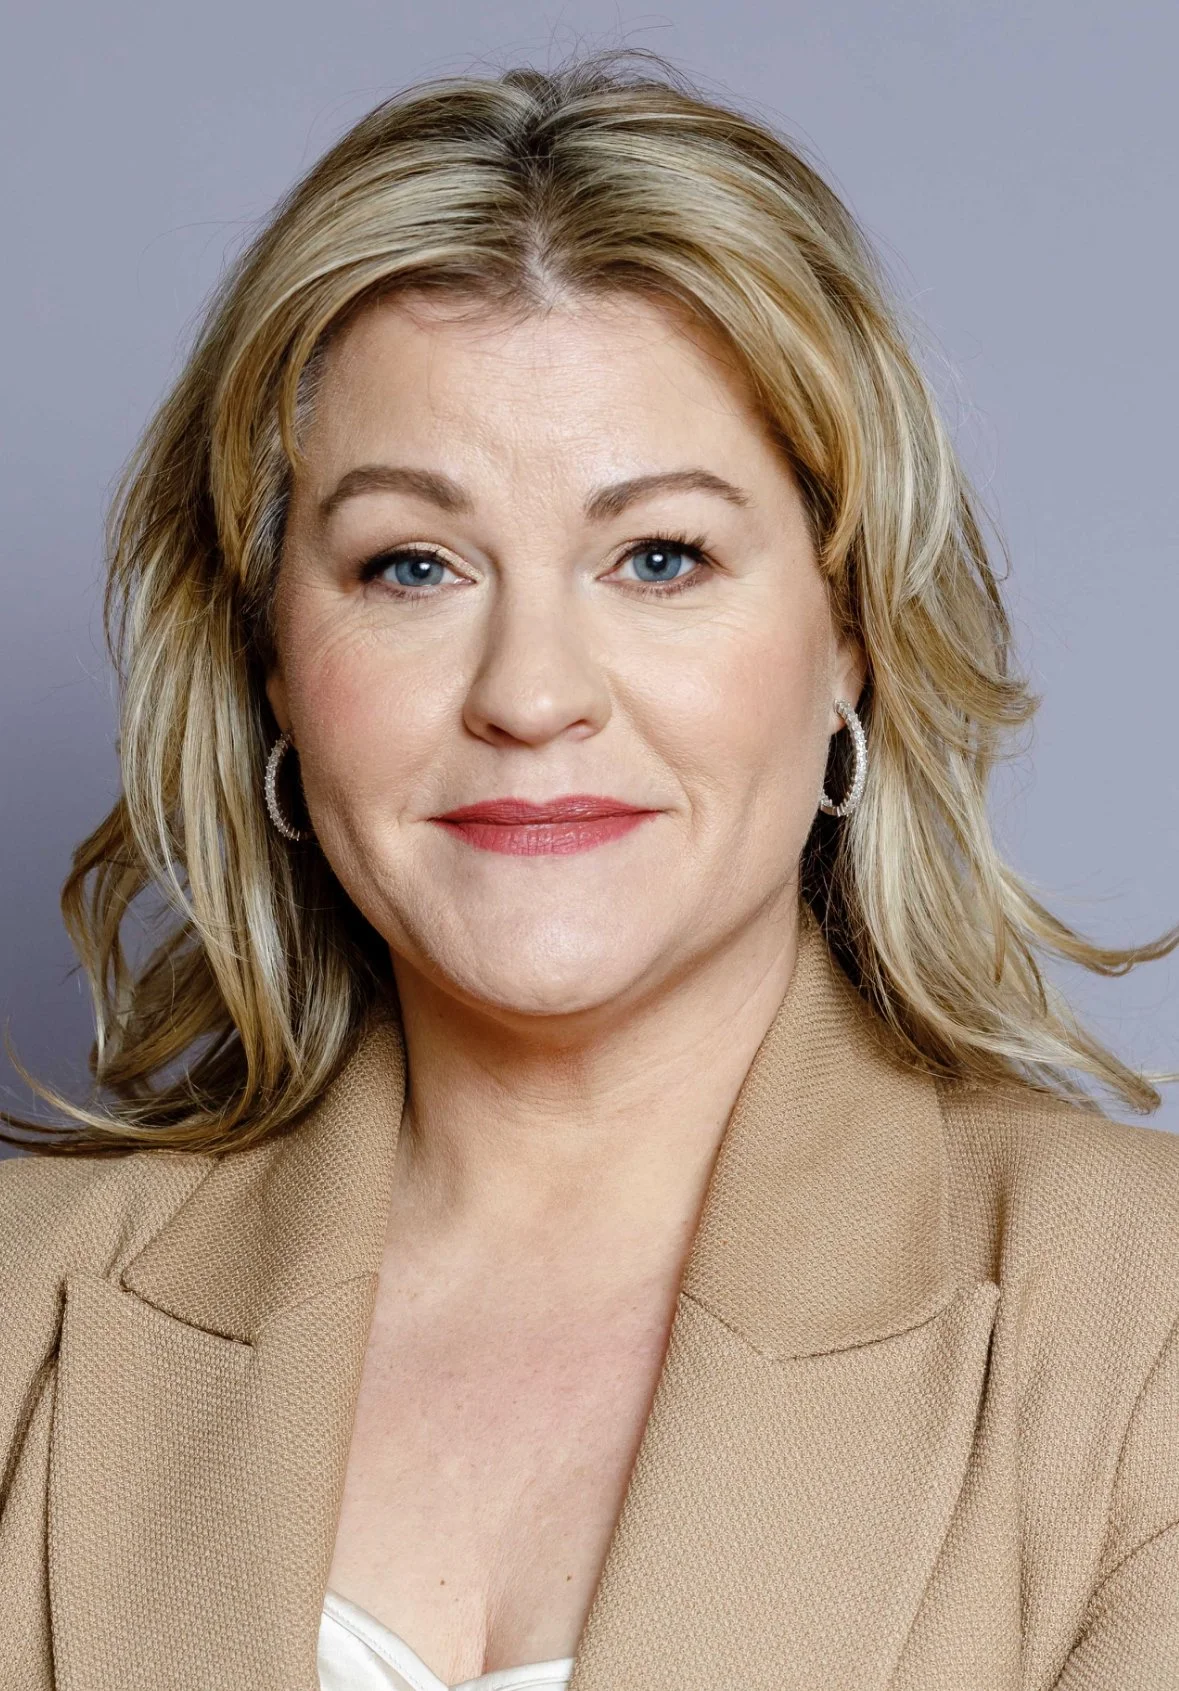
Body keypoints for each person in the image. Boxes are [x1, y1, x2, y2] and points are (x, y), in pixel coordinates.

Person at [1, 48, 1177, 1691]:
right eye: (409, 563)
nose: (531, 690)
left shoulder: (1140, 1328)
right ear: (273, 659)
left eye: (658, 556)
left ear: (847, 639)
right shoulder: (24, 1307)